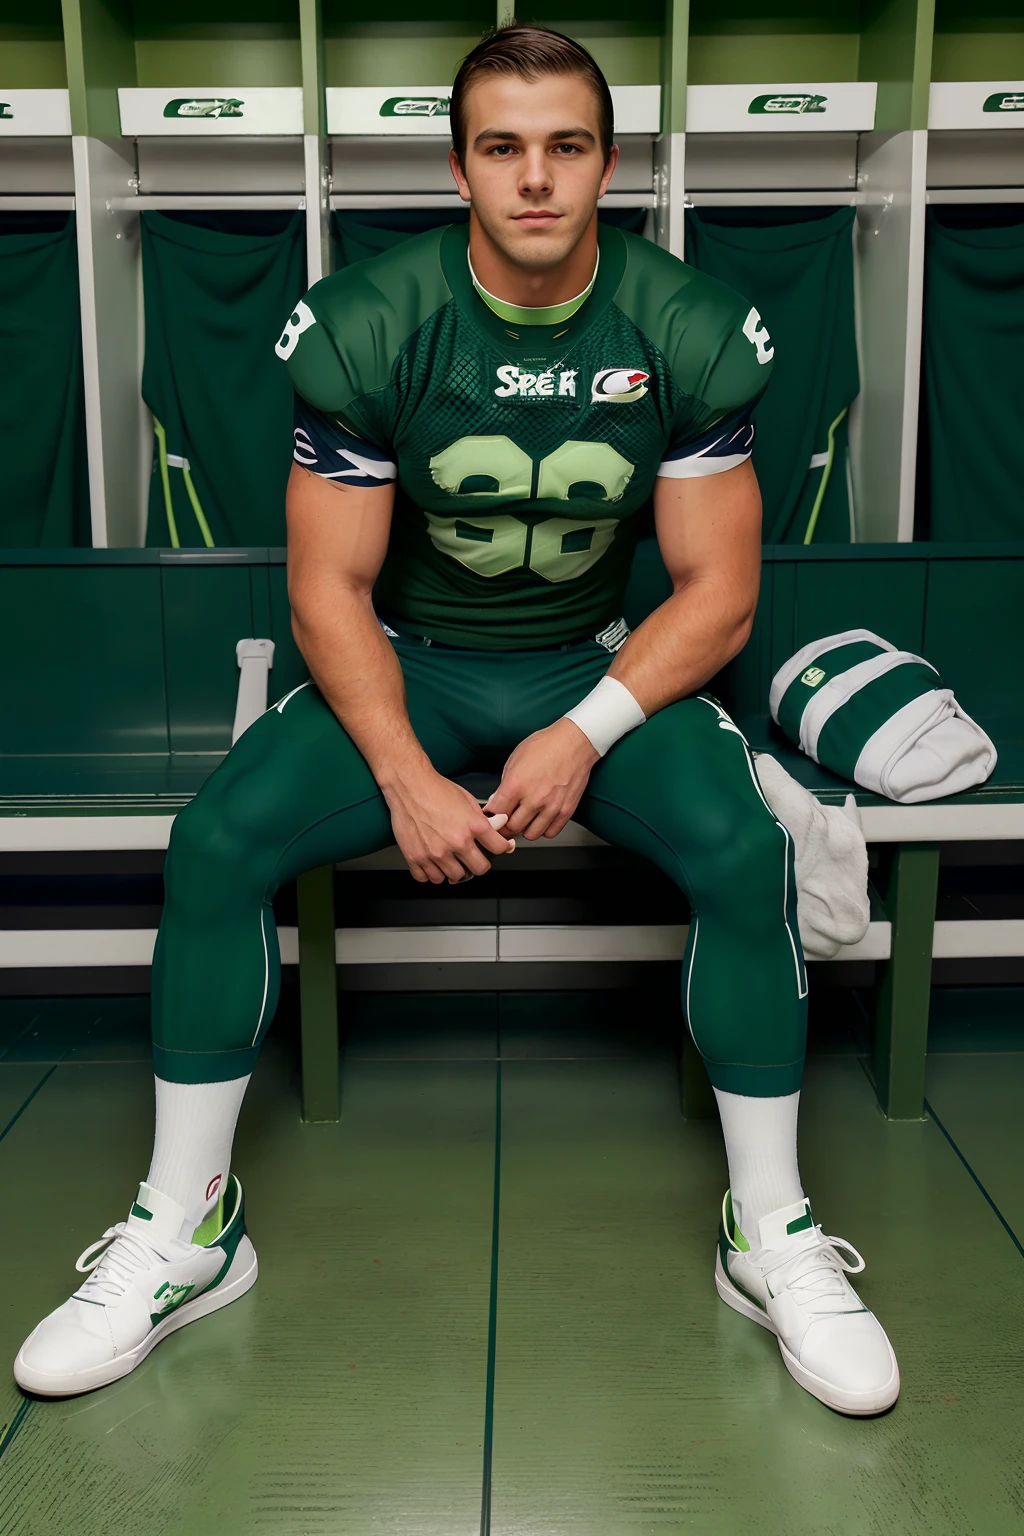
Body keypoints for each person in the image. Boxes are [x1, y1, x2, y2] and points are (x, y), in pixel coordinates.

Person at [14, 24, 899, 1416]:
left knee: (746, 848)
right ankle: (188, 1232)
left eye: (565, 146)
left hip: (592, 663)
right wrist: (408, 774)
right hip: (407, 662)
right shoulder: (372, 318)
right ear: (459, 166)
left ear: (610, 163)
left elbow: (720, 597)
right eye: (503, 147)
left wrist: (586, 729)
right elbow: (329, 588)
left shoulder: (684, 324)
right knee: (216, 840)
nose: (535, 178)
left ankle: (768, 1233)